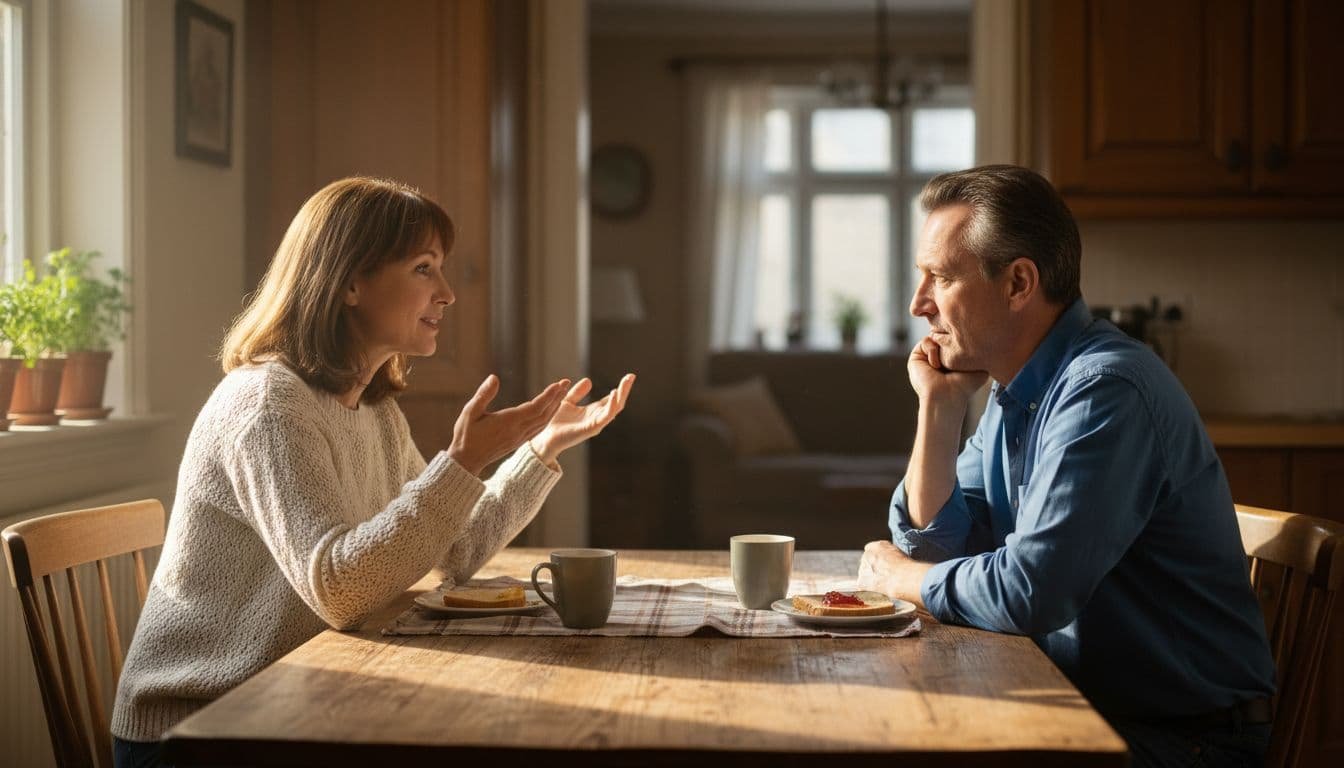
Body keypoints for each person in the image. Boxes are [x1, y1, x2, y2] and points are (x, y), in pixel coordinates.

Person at [110, 177, 636, 768]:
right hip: (200, 727)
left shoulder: (374, 410)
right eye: (422, 268)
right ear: (350, 283)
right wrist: (462, 462)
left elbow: (452, 548)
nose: (447, 293)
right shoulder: (267, 405)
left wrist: (540, 451)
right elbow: (339, 591)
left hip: (299, 700)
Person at [857, 165, 1275, 767]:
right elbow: (937, 546)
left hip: (1183, 741)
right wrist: (940, 407)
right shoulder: (1015, 392)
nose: (918, 303)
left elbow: (1031, 591)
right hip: (1088, 707)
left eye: (940, 277)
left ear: (1019, 283)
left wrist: (899, 580)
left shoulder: (1105, 390)